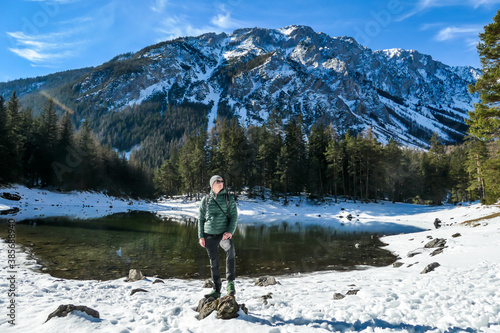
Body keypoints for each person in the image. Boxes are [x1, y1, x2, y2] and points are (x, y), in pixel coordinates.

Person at [198, 175, 238, 299]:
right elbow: (201, 219)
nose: (221, 183)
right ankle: (216, 289)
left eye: (222, 181)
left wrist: (230, 232)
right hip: (208, 234)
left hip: (223, 234)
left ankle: (230, 282)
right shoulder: (205, 200)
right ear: (212, 184)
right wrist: (201, 236)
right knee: (213, 262)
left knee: (230, 250)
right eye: (218, 181)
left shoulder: (228, 198)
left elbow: (234, 216)